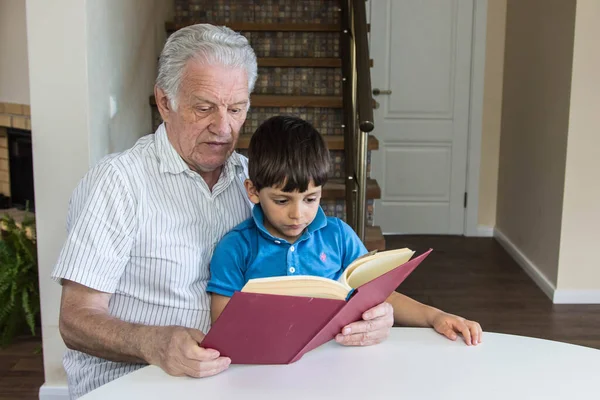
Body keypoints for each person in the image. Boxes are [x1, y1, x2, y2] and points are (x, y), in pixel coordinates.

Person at [51, 24, 397, 399]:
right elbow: (75, 320)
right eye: (204, 108)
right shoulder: (116, 183)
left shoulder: (256, 182)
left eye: (236, 109)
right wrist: (149, 341)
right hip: (136, 383)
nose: (223, 127)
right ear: (165, 102)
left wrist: (371, 316)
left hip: (237, 380)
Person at [208, 116, 483, 345]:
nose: (298, 213)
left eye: (310, 199)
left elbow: (381, 294)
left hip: (337, 359)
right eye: (282, 200)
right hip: (265, 368)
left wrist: (434, 316)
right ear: (253, 191)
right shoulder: (236, 247)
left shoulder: (338, 236)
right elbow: (222, 323)